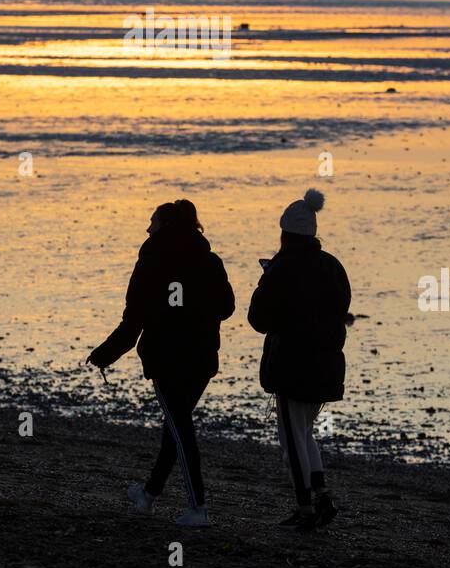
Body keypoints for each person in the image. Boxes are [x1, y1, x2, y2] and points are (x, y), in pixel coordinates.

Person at [88, 199, 234, 527]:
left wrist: (105, 355)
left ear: (165, 225)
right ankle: (148, 495)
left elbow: (134, 317)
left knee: (180, 430)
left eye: (151, 221)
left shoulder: (152, 260)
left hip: (168, 358)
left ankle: (198, 508)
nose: (147, 227)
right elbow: (227, 308)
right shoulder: (210, 261)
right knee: (175, 428)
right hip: (202, 358)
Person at [248, 188, 352, 531]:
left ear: (285, 233)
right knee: (305, 433)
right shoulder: (332, 266)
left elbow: (259, 319)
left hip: (293, 366)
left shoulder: (282, 269)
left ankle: (305, 508)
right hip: (326, 365)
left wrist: (266, 280)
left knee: (293, 439)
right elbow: (339, 310)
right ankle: (320, 496)